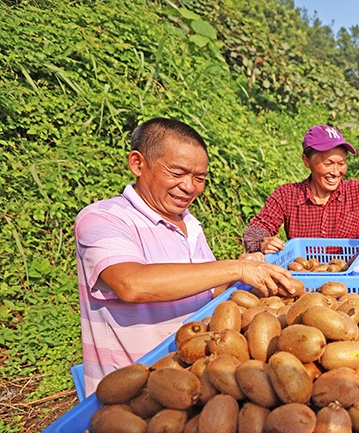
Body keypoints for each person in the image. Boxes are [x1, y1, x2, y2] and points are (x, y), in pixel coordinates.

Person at [75, 117, 297, 396]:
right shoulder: (102, 218)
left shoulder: (190, 224)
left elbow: (203, 291)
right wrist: (234, 269)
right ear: (137, 163)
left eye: (199, 178)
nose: (189, 187)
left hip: (195, 381)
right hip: (135, 393)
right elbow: (131, 284)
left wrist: (240, 272)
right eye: (177, 172)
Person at [242, 125, 359, 254]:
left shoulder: (357, 192)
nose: (336, 172)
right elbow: (256, 230)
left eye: (341, 164)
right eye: (328, 164)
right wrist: (262, 243)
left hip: (349, 275)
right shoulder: (287, 195)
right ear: (306, 161)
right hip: (305, 275)